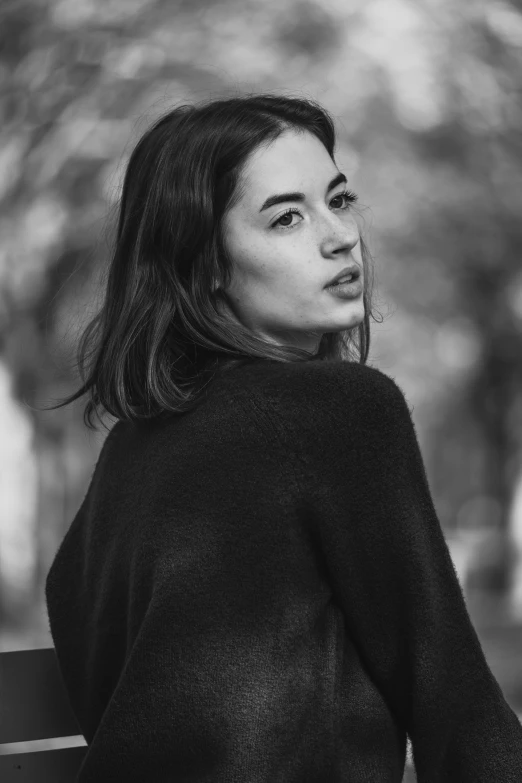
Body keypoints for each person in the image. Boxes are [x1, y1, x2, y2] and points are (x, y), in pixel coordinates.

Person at [44, 93, 522, 782]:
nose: (340, 236)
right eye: (287, 217)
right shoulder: (339, 409)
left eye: (339, 199)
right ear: (202, 263)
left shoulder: (130, 450)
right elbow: (448, 688)